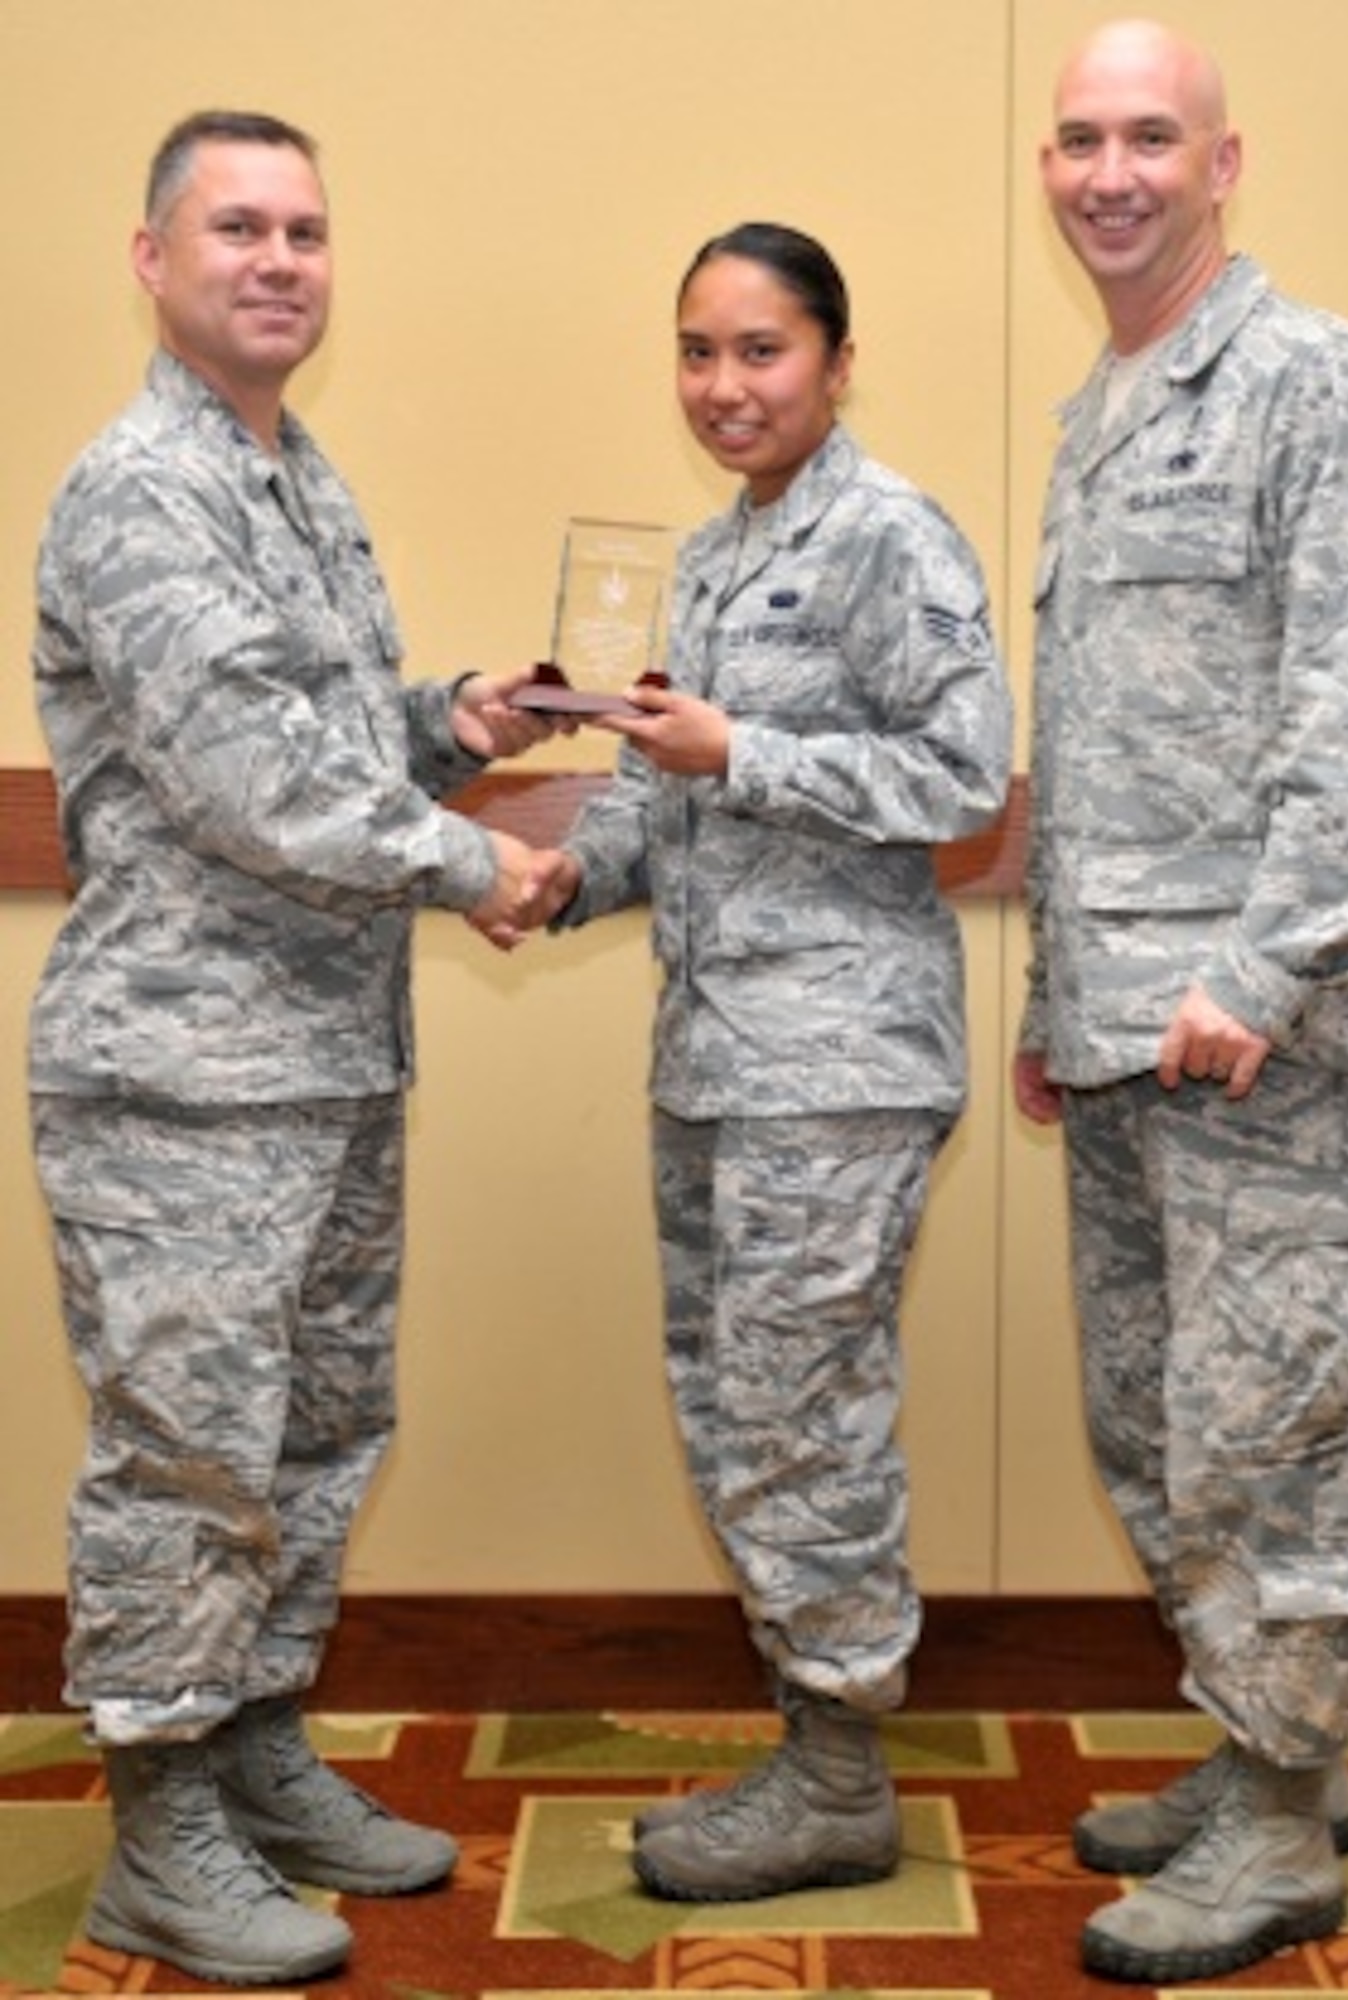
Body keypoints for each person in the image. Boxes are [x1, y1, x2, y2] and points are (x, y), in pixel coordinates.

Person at [28, 110, 555, 1986]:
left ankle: (254, 1751)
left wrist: (447, 722)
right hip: (184, 1082)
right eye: (236, 227)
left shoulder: (291, 475)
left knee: (317, 1434)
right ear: (151, 259)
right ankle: (159, 1822)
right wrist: (477, 856)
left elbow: (318, 743)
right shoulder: (140, 490)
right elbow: (253, 782)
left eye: (306, 232)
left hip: (325, 1061)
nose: (276, 260)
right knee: (189, 1456)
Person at [1014, 19, 1348, 1985]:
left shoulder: (1311, 378)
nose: (1110, 172)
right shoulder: (1099, 412)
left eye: (1149, 140)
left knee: (1263, 1424)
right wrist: (1051, 994)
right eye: (1079, 138)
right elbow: (1094, 749)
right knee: (1153, 1418)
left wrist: (1266, 966)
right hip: (1120, 1030)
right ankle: (1259, 1735)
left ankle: (1282, 1809)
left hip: (1271, 1027)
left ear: (1224, 161)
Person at [506, 222, 1012, 1902]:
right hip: (717, 1052)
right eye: (697, 352)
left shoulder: (886, 534)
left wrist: (750, 748)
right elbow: (678, 794)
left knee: (802, 1417)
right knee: (739, 1408)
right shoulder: (718, 557)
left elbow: (963, 776)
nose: (724, 385)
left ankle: (841, 1771)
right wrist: (571, 870)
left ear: (837, 361)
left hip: (836, 1055)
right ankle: (813, 1737)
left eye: (762, 350)